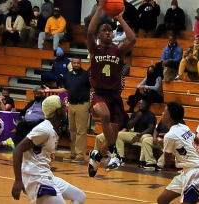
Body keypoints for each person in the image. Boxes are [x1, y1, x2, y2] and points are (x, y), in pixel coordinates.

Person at [87, 0, 136, 177]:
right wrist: (100, 8)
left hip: (115, 96)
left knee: (111, 139)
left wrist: (120, 18)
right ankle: (115, 154)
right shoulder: (94, 48)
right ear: (99, 35)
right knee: (105, 116)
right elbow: (89, 32)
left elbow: (133, 39)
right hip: (99, 94)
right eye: (104, 30)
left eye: (110, 30)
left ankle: (96, 156)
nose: (108, 32)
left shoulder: (119, 50)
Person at [11, 95, 86, 203]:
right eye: (63, 106)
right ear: (57, 110)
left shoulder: (51, 128)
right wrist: (18, 180)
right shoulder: (44, 130)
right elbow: (18, 150)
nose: (65, 108)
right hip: (36, 179)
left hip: (46, 175)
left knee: (79, 197)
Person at [157, 102, 199, 204]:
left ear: (168, 116)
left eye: (164, 111)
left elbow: (167, 163)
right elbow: (197, 140)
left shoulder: (169, 136)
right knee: (162, 200)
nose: (162, 113)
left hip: (196, 172)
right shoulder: (183, 127)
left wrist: (172, 148)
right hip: (187, 171)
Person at [43, 57, 90, 163]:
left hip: (82, 104)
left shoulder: (86, 75)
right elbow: (66, 89)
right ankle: (73, 153)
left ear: (80, 63)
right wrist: (51, 90)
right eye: (75, 63)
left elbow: (91, 88)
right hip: (72, 105)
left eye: (78, 63)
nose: (76, 64)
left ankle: (80, 155)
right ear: (72, 64)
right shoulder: (68, 75)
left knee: (81, 131)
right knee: (72, 130)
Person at [115, 99, 156, 166]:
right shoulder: (135, 114)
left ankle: (142, 161)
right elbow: (128, 126)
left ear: (146, 105)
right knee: (119, 134)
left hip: (145, 134)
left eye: (142, 104)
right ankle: (120, 157)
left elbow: (151, 128)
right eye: (139, 104)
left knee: (145, 138)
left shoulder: (151, 115)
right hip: (135, 134)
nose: (140, 105)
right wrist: (136, 117)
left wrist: (139, 135)